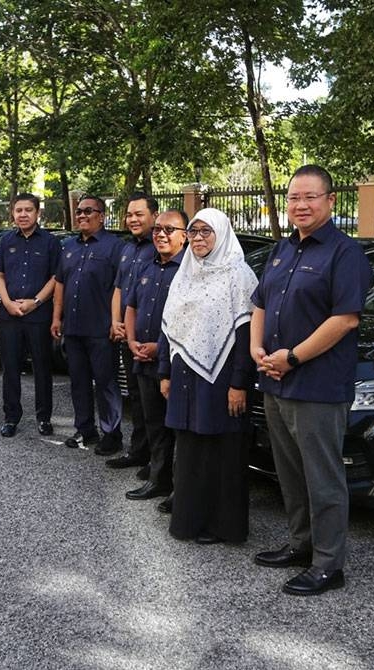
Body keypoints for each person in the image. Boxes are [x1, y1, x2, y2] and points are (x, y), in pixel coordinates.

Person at [251, 164, 371, 596]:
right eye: (293, 198)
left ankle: (327, 564)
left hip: (317, 386)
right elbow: (260, 302)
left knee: (322, 478)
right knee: (290, 473)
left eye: (310, 197)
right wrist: (256, 349)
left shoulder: (345, 254)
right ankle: (301, 544)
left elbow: (345, 319)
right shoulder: (283, 250)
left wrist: (294, 357)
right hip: (276, 380)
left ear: (331, 201)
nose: (300, 205)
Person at [157, 208, 258, 545]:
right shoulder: (186, 272)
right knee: (189, 451)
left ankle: (222, 527)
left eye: (206, 232)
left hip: (223, 380)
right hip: (186, 374)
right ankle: (189, 521)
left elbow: (245, 336)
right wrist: (165, 372)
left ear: (222, 234)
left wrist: (239, 384)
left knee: (222, 453)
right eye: (194, 232)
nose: (198, 239)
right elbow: (169, 327)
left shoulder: (239, 276)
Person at [122, 209, 188, 503]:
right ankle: (158, 479)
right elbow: (131, 305)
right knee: (153, 423)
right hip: (142, 356)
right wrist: (133, 340)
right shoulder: (147, 268)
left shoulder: (189, 271)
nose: (161, 234)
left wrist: (159, 347)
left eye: (169, 229)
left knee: (176, 427)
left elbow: (188, 320)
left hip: (174, 362)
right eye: (158, 229)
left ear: (184, 237)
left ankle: (177, 485)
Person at [50, 195, 125, 453]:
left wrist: (117, 322)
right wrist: (56, 317)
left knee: (105, 383)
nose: (82, 215)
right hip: (73, 328)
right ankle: (85, 430)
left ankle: (111, 434)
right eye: (79, 211)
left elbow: (122, 287)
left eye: (88, 211)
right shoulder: (69, 246)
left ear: (102, 215)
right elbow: (60, 283)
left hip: (101, 330)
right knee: (78, 382)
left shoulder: (115, 246)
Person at [0, 193, 61, 437]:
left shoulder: (51, 242)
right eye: (18, 210)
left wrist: (37, 301)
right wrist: (7, 302)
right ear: (12, 212)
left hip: (38, 315)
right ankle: (11, 417)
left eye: (28, 210)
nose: (23, 214)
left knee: (42, 368)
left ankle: (44, 418)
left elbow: (56, 277)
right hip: (10, 315)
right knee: (10, 368)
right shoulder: (6, 241)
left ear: (37, 213)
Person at [105, 192, 157, 461]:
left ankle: (155, 460)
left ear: (154, 216)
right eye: (129, 214)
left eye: (139, 214)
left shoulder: (160, 246)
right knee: (135, 395)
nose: (133, 219)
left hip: (149, 337)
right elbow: (118, 288)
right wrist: (116, 321)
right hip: (126, 334)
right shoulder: (126, 248)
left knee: (152, 400)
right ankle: (138, 451)